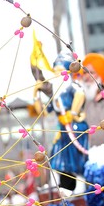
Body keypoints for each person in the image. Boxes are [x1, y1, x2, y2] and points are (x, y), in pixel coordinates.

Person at [31, 51, 89, 191]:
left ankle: (81, 185)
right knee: (56, 156)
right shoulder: (56, 94)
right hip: (62, 130)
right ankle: (55, 184)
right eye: (55, 71)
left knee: (76, 158)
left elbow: (80, 94)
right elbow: (43, 113)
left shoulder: (72, 87)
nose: (57, 75)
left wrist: (73, 113)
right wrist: (35, 95)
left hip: (75, 128)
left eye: (60, 71)